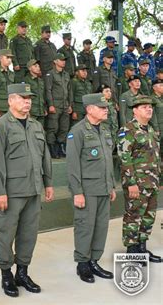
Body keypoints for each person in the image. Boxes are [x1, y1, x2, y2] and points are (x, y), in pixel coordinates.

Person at [0, 83, 54, 298]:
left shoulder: (36, 125)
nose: (28, 101)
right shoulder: (1, 126)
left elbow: (45, 156)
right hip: (11, 192)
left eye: (29, 98)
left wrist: (48, 183)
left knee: (28, 234)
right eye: (22, 97)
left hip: (33, 189)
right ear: (10, 100)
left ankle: (22, 273)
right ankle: (6, 274)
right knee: (5, 234)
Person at [66, 93, 117, 283]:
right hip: (87, 189)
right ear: (89, 109)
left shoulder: (104, 130)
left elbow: (108, 161)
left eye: (106, 107)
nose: (106, 110)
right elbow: (72, 165)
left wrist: (111, 185)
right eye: (101, 107)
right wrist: (77, 191)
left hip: (103, 187)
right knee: (85, 227)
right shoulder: (77, 131)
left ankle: (94, 260)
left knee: (101, 226)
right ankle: (82, 263)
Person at [117, 95, 162, 263]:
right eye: (144, 107)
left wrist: (160, 179)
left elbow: (156, 157)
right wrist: (131, 184)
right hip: (137, 183)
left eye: (150, 107)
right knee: (133, 216)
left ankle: (142, 249)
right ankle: (132, 252)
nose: (149, 109)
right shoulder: (127, 130)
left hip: (152, 182)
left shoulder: (151, 130)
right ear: (135, 110)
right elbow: (124, 159)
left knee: (148, 216)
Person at [44, 53, 73, 158]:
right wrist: (50, 104)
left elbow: (69, 91)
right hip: (55, 105)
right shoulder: (50, 74)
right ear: (55, 61)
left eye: (64, 60)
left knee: (64, 128)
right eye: (61, 60)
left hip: (65, 105)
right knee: (53, 127)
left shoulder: (66, 74)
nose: (63, 61)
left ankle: (61, 148)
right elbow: (48, 90)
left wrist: (70, 104)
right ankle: (52, 149)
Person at [24, 59, 47, 127]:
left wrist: (44, 108)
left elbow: (43, 96)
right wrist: (27, 110)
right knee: (31, 130)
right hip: (32, 111)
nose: (38, 68)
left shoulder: (41, 81)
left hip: (41, 111)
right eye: (35, 66)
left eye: (38, 66)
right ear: (29, 68)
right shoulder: (26, 80)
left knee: (40, 130)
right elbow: (25, 97)